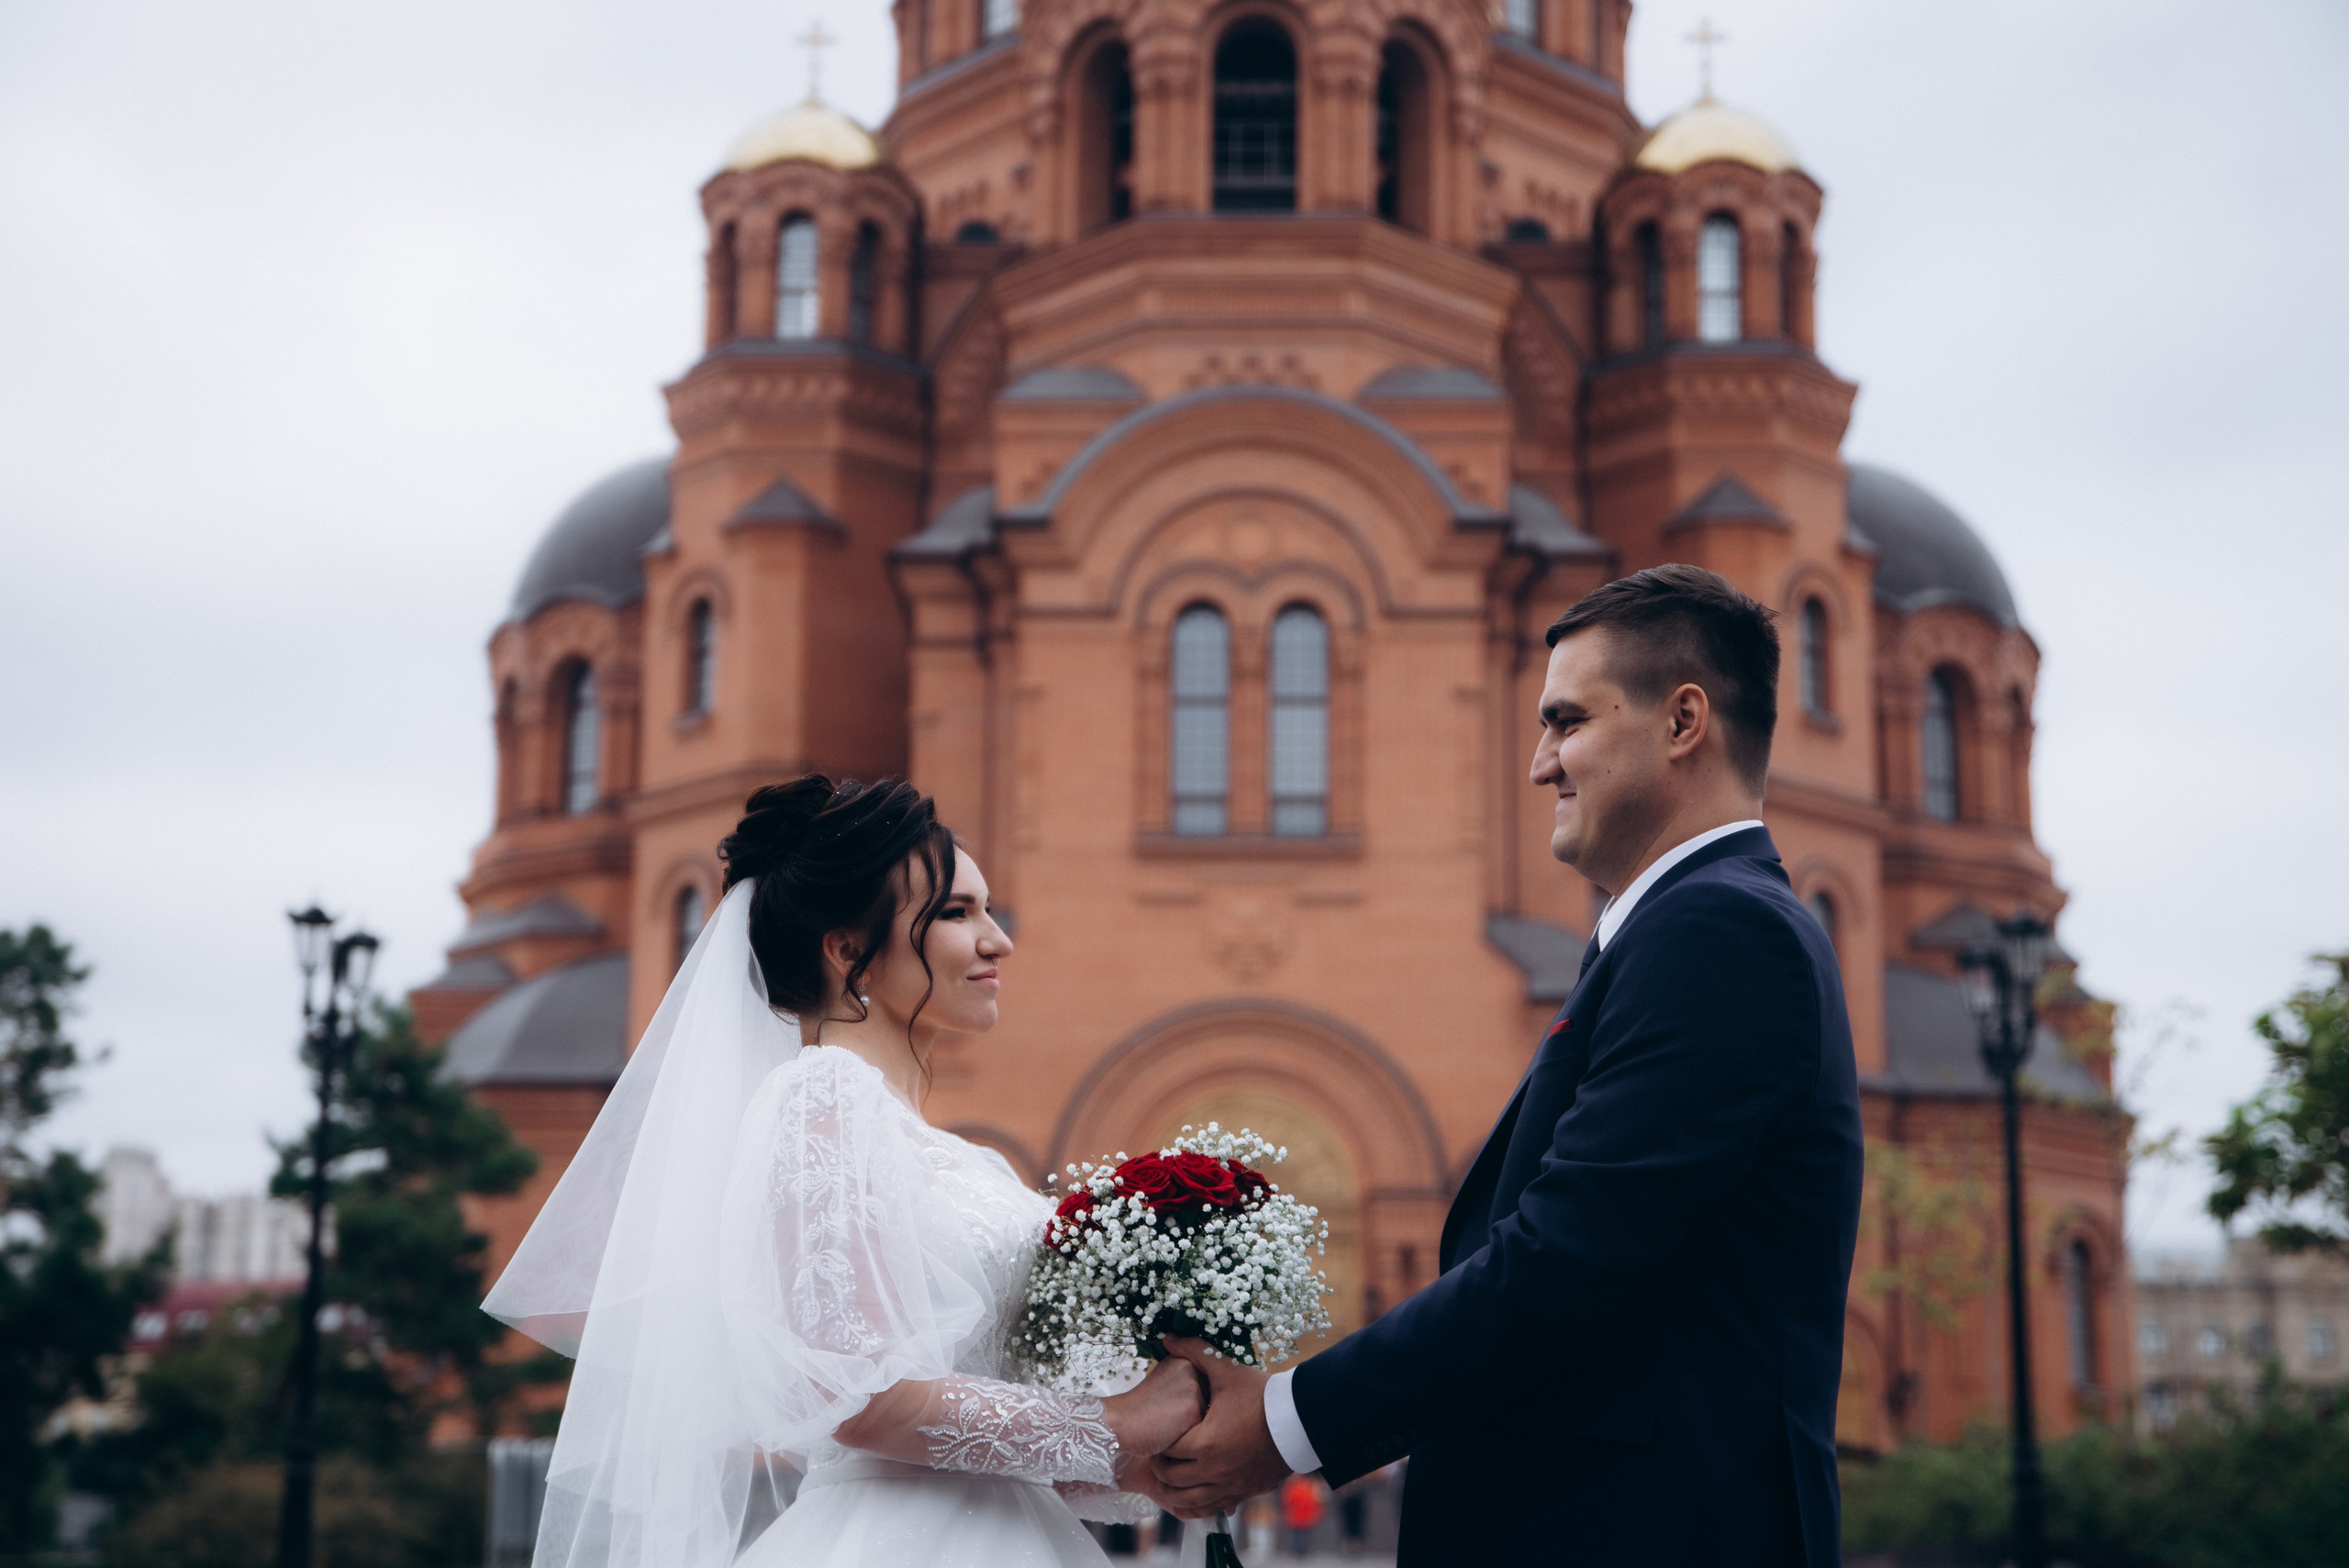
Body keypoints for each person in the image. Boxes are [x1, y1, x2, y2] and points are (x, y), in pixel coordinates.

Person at [1150, 565, 1866, 1566]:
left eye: (1567, 722)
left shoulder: (1719, 930)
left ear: (1683, 721)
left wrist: (1284, 1422)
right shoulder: (1677, 930)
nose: (1539, 764)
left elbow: (1565, 1254)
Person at [482, 775, 1201, 1568]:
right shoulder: (822, 1099)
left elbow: (983, 1405)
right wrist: (1114, 1424)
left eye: (988, 910)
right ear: (848, 949)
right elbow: (855, 1393)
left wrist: (1146, 1456)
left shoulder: (968, 1160)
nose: (998, 940)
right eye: (956, 913)